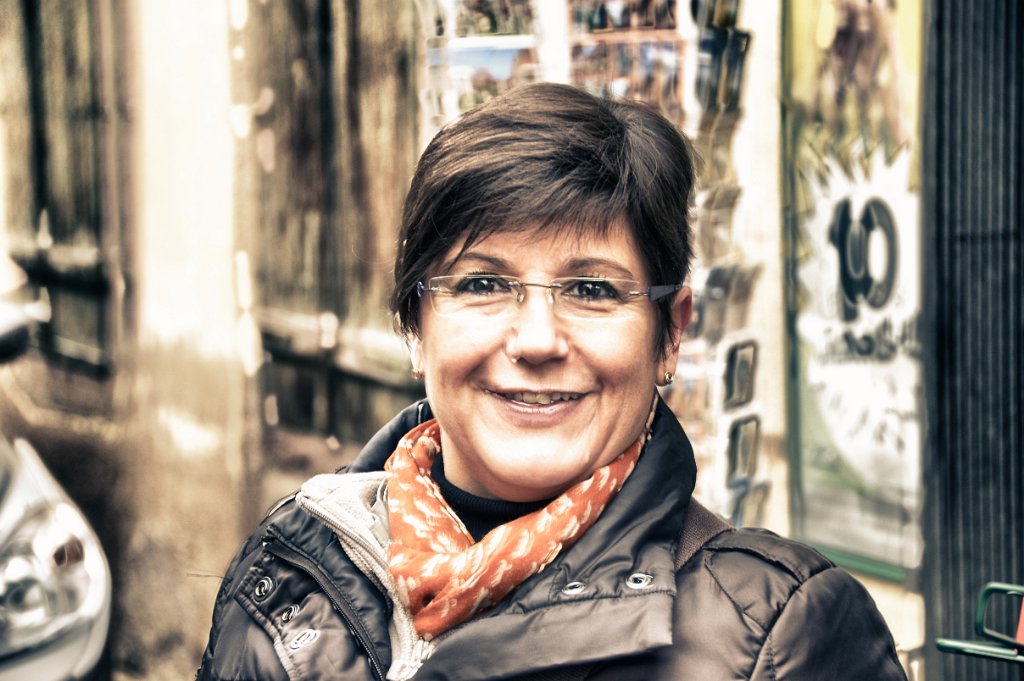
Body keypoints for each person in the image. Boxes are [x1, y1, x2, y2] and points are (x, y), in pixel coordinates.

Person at [197, 82, 907, 680]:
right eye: (483, 283)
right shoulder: (289, 574)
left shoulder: (777, 633)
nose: (537, 340)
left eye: (592, 289)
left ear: (670, 334)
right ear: (414, 325)